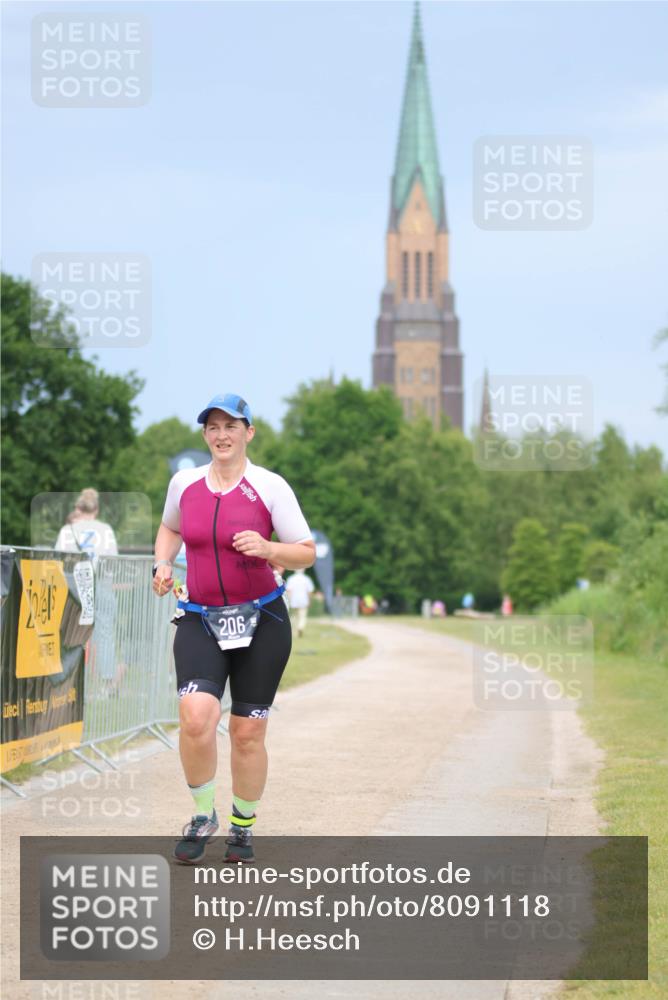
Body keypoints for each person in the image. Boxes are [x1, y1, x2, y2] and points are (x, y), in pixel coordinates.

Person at [152, 393, 315, 865]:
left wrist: (267, 549)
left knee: (246, 732)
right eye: (213, 427)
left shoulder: (269, 487)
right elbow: (169, 529)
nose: (222, 435)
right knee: (195, 717)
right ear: (205, 435)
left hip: (262, 619)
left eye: (231, 426)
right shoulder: (184, 483)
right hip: (201, 617)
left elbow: (305, 551)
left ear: (249, 432)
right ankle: (203, 816)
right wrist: (162, 563)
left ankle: (242, 827)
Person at [55, 489, 119, 693]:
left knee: (70, 632)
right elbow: (113, 562)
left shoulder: (68, 530)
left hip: (73, 584)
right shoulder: (106, 530)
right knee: (105, 633)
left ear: (78, 507)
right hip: (100, 584)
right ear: (96, 509)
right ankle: (107, 684)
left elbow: (58, 559)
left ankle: (68, 679)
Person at [285, 568, 314, 638]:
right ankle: (300, 627)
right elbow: (309, 591)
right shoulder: (307, 579)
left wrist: (289, 601)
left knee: (294, 617)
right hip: (304, 600)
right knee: (302, 616)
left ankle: (293, 631)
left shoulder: (291, 579)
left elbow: (289, 591)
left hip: (294, 601)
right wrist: (310, 601)